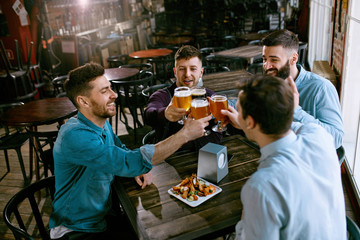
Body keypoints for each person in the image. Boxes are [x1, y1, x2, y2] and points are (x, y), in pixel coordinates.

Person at [49, 62, 211, 239]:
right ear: (83, 101)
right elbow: (128, 161)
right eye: (104, 91)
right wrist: (185, 134)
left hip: (103, 218)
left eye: (111, 88)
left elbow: (120, 150)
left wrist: (132, 170)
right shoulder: (75, 136)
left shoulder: (100, 122)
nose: (114, 95)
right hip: (75, 229)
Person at [222, 75, 346, 239]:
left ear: (250, 122)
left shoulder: (261, 187)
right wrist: (245, 122)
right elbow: (299, 126)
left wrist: (246, 215)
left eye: (239, 110)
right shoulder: (320, 136)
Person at [261, 29, 344, 149]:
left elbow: (336, 139)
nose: (266, 66)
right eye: (264, 59)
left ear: (293, 59)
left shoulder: (321, 88)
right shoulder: (271, 82)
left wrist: (295, 110)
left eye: (274, 60)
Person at [144, 45, 222, 151]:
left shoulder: (209, 96)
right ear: (175, 72)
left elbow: (217, 134)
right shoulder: (162, 95)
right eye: (182, 69)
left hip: (203, 157)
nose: (187, 74)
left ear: (201, 73)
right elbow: (149, 114)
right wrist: (165, 114)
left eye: (193, 69)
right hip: (170, 161)